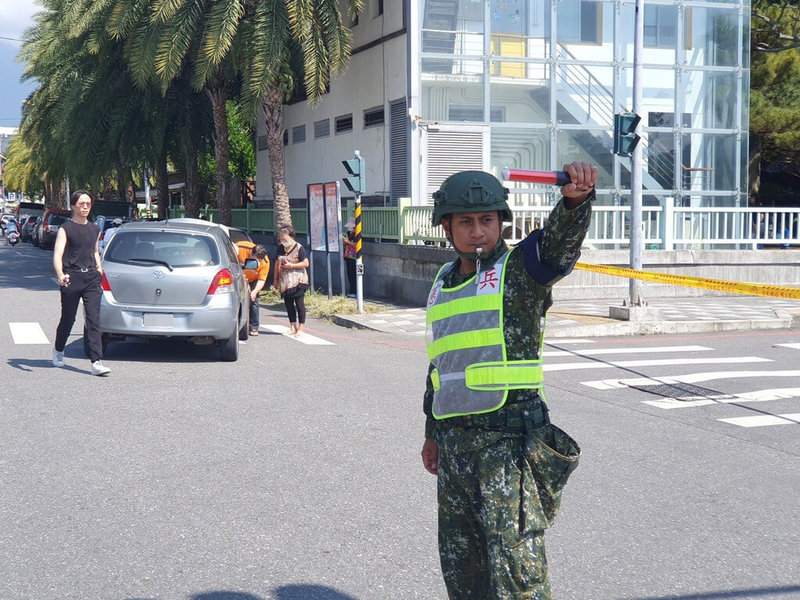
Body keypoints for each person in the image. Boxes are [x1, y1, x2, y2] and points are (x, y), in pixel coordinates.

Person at [420, 163, 596, 598]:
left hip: (508, 450)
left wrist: (575, 202)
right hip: (456, 452)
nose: (477, 232)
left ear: (502, 222)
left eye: (486, 220)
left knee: (519, 577)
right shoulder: (443, 283)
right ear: (447, 227)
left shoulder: (520, 271)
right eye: (466, 221)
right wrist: (432, 434)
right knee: (464, 574)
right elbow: (440, 368)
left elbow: (558, 247)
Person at [52, 190, 110, 376]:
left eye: (88, 204)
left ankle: (96, 362)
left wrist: (99, 267)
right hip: (72, 277)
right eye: (82, 203)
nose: (85, 207)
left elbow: (94, 251)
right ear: (73, 206)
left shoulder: (94, 228)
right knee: (68, 318)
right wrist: (60, 273)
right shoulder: (65, 228)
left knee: (93, 319)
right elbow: (57, 254)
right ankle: (59, 350)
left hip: (91, 278)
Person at [273, 226, 309, 336]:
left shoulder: (299, 248)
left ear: (291, 237)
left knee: (299, 303)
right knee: (288, 304)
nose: (283, 241)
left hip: (298, 280)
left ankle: (301, 327)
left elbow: (306, 263)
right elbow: (276, 263)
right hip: (285, 281)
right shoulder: (280, 248)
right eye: (281, 239)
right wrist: (275, 279)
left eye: (285, 239)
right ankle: (292, 326)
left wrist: (292, 265)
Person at [235, 241, 270, 336]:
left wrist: (254, 291)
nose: (258, 263)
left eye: (260, 261)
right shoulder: (240, 247)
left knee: (253, 301)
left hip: (253, 280)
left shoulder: (265, 262)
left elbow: (262, 280)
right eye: (255, 260)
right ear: (251, 253)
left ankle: (254, 327)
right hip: (238, 276)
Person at [342, 217, 357, 297]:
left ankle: (354, 291)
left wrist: (347, 242)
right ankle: (352, 291)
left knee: (353, 274)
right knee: (349, 274)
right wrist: (344, 242)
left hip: (354, 257)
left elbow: (357, 245)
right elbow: (346, 244)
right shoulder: (348, 234)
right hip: (348, 256)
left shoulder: (357, 235)